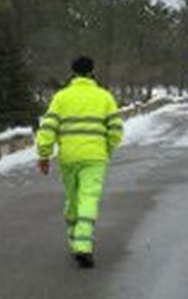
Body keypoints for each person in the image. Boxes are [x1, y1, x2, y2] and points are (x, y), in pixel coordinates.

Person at [35, 57, 124, 268]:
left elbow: (48, 128)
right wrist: (107, 149)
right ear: (93, 72)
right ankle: (83, 244)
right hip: (95, 157)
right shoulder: (104, 97)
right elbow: (116, 129)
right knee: (89, 197)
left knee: (73, 198)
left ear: (72, 73)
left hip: (68, 157)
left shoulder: (61, 97)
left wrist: (44, 155)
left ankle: (74, 238)